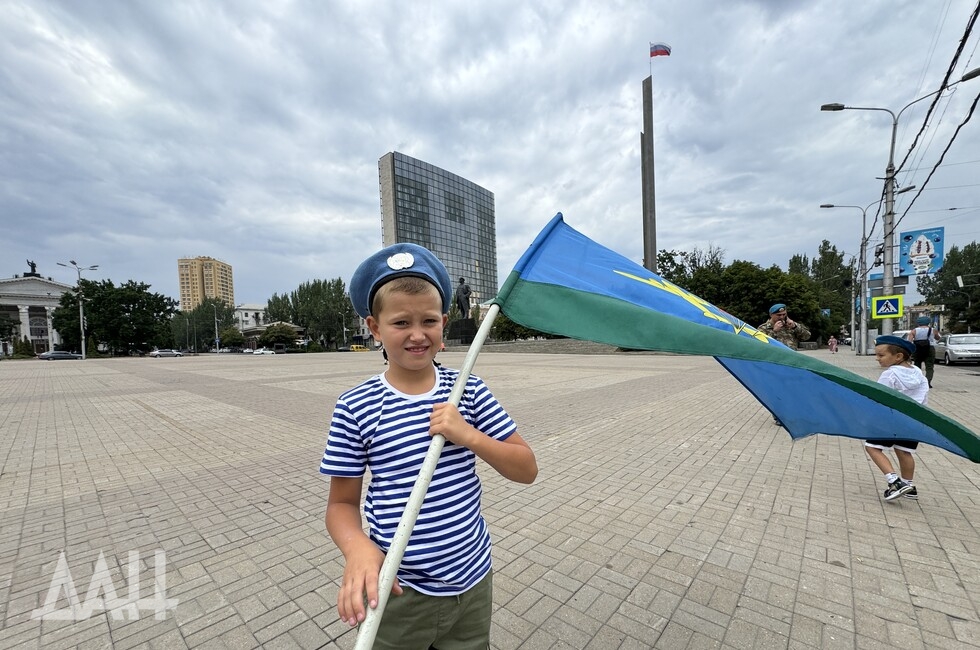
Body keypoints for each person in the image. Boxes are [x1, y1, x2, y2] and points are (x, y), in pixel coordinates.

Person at [319, 243, 538, 649]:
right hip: (398, 592)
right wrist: (358, 550)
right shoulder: (355, 406)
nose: (418, 334)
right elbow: (341, 505)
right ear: (374, 327)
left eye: (429, 321)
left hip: (472, 582)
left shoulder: (467, 390)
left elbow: (526, 468)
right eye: (401, 322)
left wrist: (469, 435)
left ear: (444, 323)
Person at [865, 334, 929, 501]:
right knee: (904, 451)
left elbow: (879, 398)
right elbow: (923, 398)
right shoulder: (917, 372)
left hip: (891, 420)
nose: (877, 359)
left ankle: (895, 482)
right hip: (914, 419)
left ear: (898, 356)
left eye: (881, 355)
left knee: (872, 447)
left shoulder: (890, 374)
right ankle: (909, 486)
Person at [758, 304, 811, 426]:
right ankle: (779, 416)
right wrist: (774, 332)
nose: (782, 317)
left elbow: (807, 335)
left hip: (792, 363)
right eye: (778, 315)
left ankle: (794, 414)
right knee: (778, 390)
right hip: (775, 364)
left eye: (784, 314)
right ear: (771, 315)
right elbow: (759, 343)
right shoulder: (764, 328)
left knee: (793, 390)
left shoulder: (790, 325)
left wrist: (795, 326)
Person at [907, 315, 940, 388]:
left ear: (918, 323)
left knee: (917, 365)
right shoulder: (933, 330)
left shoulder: (914, 331)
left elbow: (909, 341)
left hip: (917, 349)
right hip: (930, 348)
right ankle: (928, 382)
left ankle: (918, 381)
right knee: (929, 367)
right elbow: (938, 338)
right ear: (928, 323)